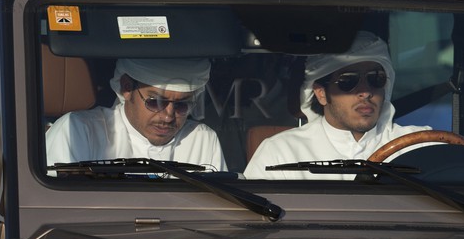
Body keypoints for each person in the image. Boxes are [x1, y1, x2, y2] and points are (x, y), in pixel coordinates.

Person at [242, 32, 426, 180]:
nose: (365, 92)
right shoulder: (281, 152)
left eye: (375, 78)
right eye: (348, 81)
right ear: (321, 93)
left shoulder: (419, 145)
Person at [45, 57, 226, 170]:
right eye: (155, 102)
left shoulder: (202, 139)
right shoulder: (78, 131)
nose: (168, 116)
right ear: (127, 88)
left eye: (181, 105)